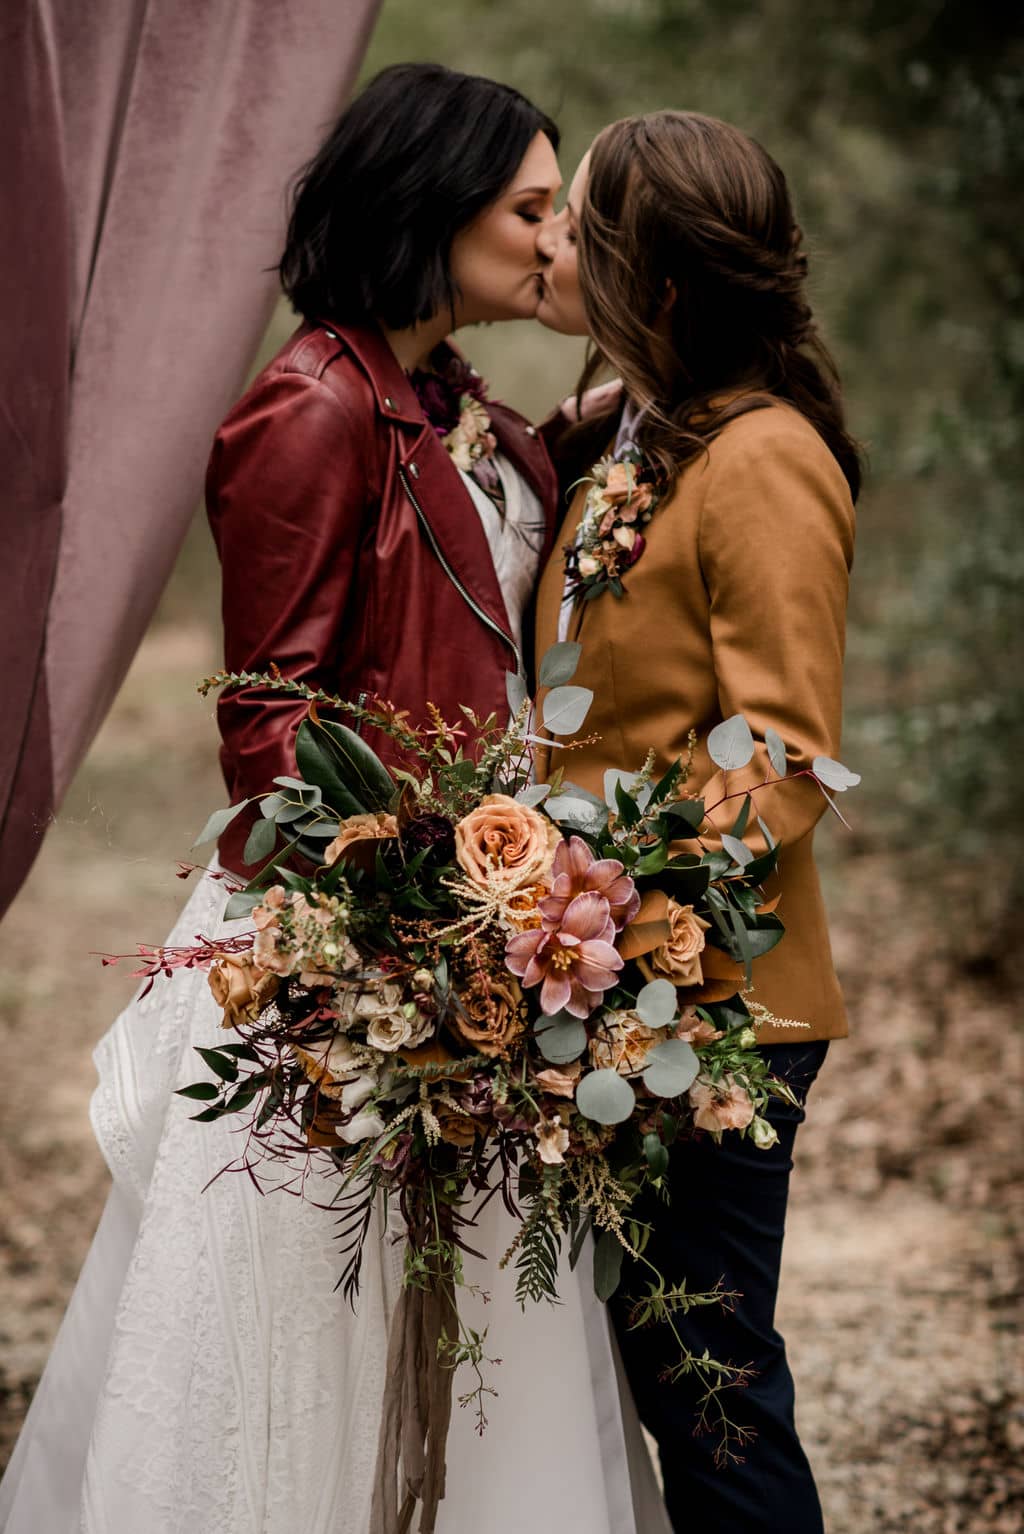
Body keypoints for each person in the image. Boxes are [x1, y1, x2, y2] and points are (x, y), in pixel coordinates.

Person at [0, 66, 664, 1534]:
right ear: (433, 210)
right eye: (532, 211)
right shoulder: (308, 406)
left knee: (487, 1334)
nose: (556, 244)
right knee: (304, 1332)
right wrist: (413, 914)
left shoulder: (443, 397)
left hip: (480, 928)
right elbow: (273, 720)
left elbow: (491, 544)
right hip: (355, 942)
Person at [533, 110, 861, 1534]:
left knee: (712, 1387)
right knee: (670, 1376)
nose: (551, 247)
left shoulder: (765, 458)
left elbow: (786, 751)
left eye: (577, 227)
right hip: (623, 998)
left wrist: (603, 899)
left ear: (656, 287)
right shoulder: (652, 434)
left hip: (720, 1010)